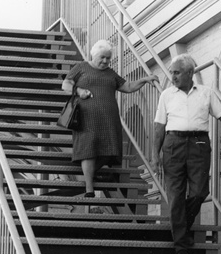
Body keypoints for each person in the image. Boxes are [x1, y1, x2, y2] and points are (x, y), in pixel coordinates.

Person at [150, 54, 221, 254]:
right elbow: (159, 127)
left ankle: (179, 225)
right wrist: (155, 156)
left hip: (199, 143)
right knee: (175, 197)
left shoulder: (206, 93)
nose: (172, 76)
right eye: (172, 72)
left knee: (200, 192)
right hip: (173, 144)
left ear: (190, 73)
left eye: (177, 72)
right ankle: (182, 246)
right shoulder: (166, 95)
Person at [62, 40, 158, 196]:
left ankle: (91, 175)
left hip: (108, 118)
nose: (105, 61)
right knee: (89, 149)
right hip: (86, 118)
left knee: (108, 149)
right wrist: (79, 90)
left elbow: (127, 87)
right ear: (94, 55)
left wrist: (144, 80)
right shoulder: (81, 68)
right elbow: (65, 84)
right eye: (102, 57)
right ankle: (89, 187)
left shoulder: (110, 73)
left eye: (108, 58)